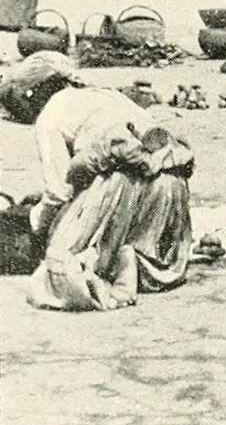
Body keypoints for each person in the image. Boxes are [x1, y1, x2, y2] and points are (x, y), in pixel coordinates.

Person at [1, 52, 194, 312]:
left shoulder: (51, 114)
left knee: (59, 263)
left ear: (33, 92)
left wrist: (35, 220)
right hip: (171, 187)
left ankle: (114, 260)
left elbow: (58, 193)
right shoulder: (108, 94)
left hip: (123, 186)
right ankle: (135, 257)